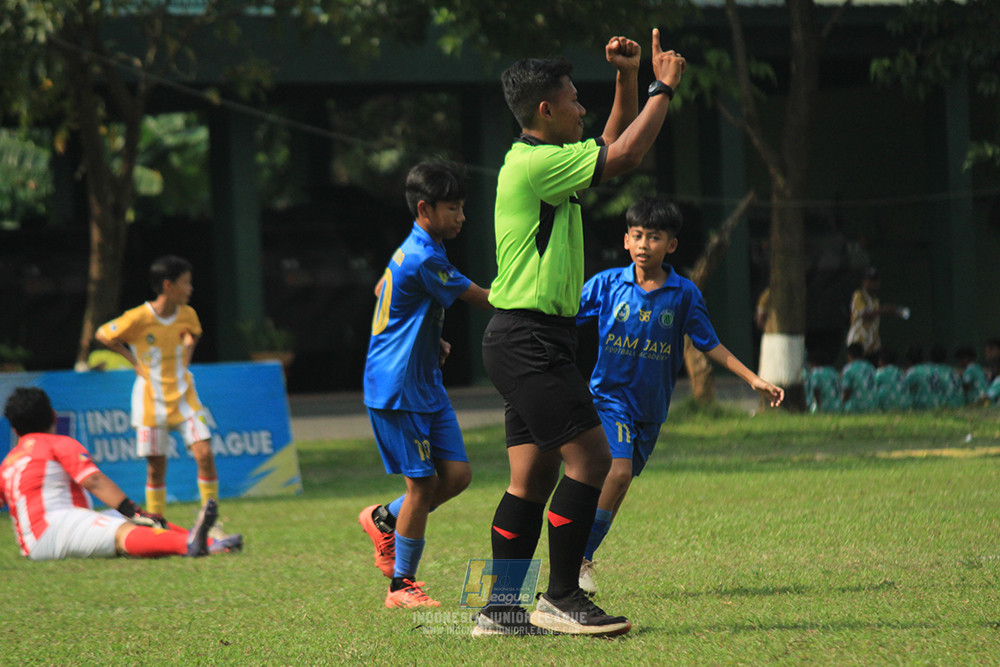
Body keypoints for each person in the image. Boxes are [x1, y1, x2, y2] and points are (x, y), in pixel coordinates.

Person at [478, 29, 686, 637]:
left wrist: (625, 77)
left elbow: (607, 142)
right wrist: (660, 87)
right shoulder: (539, 165)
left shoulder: (541, 161)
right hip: (530, 339)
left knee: (532, 478)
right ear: (545, 109)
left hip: (523, 337)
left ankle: (502, 611)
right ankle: (562, 598)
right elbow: (625, 157)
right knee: (593, 457)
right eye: (573, 98)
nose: (581, 106)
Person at [574, 196, 783, 596]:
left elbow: (710, 344)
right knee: (615, 473)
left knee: (620, 486)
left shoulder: (684, 294)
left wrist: (752, 379)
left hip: (651, 409)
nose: (643, 244)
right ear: (625, 240)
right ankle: (578, 559)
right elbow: (564, 317)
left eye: (654, 237)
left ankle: (583, 556)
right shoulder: (606, 285)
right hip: (608, 398)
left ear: (670, 245)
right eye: (637, 235)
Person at [358, 161, 491, 609]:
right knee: (422, 484)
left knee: (456, 476)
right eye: (453, 208)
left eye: (461, 207)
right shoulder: (424, 256)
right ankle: (401, 587)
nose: (462, 217)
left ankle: (382, 519)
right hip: (397, 387)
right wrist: (530, 300)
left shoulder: (417, 248)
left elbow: (382, 291)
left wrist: (430, 338)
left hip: (424, 383)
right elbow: (479, 297)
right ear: (424, 208)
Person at [0, 387, 241, 560]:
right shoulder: (57, 443)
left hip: (37, 539)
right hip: (56, 525)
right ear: (53, 415)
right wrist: (132, 509)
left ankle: (210, 541)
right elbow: (93, 480)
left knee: (137, 522)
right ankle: (191, 544)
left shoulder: (9, 462)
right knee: (127, 528)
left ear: (14, 428)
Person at [95, 256, 223, 526]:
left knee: (205, 454)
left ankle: (212, 521)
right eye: (186, 283)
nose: (190, 288)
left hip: (185, 397)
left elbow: (194, 333)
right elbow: (104, 335)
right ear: (168, 285)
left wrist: (186, 352)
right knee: (155, 469)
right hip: (151, 401)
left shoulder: (188, 314)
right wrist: (134, 362)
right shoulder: (139, 317)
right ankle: (159, 526)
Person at [845, 268, 905, 363]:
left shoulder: (875, 300)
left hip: (873, 345)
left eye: (875, 281)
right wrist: (885, 309)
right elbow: (865, 314)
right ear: (864, 282)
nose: (873, 284)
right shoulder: (859, 295)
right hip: (858, 344)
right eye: (870, 281)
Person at [841, 343, 877, 413]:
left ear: (849, 355)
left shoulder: (849, 369)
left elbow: (846, 391)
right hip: (873, 406)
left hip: (856, 407)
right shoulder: (871, 367)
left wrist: (841, 406)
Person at [904, 345, 939, 410]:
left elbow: (905, 389)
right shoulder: (931, 368)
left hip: (923, 406)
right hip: (937, 404)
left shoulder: (913, 372)